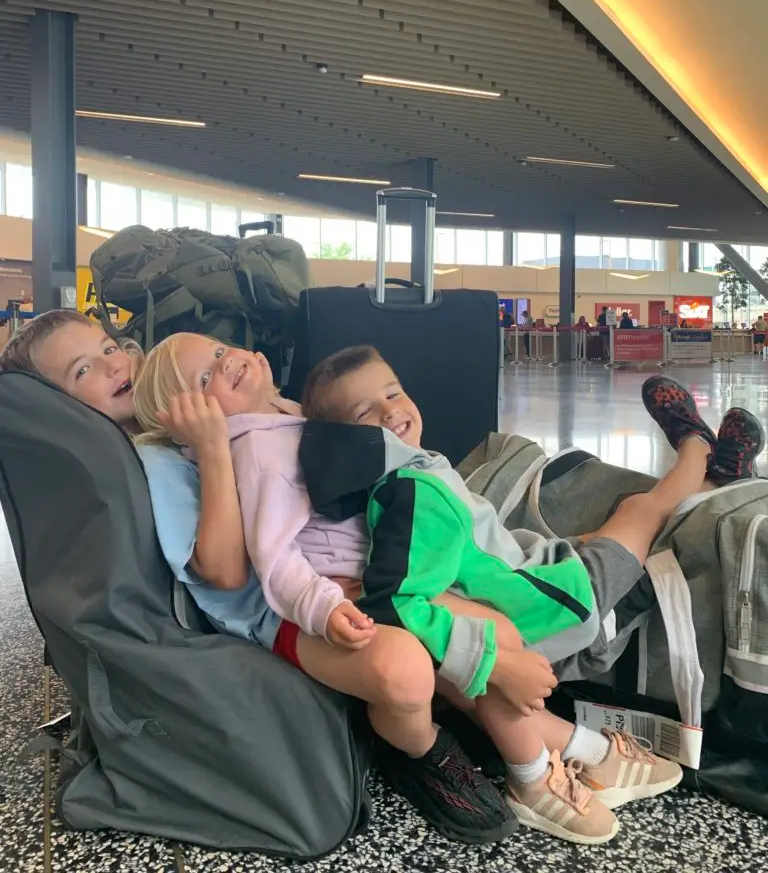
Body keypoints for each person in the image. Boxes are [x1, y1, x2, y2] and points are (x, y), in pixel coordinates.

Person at [134, 334, 745, 844]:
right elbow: (256, 562)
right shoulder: (246, 451)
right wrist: (323, 599)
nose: (225, 361)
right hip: (494, 587)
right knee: (638, 516)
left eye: (220, 349)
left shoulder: (289, 421)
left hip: (478, 566)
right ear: (182, 414)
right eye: (206, 373)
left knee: (607, 537)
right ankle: (696, 446)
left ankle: (705, 462)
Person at [0, 311, 515, 845]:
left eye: (110, 346)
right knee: (414, 660)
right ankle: (427, 751)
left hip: (341, 572)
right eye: (84, 369)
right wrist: (212, 447)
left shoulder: (238, 420)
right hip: (282, 605)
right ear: (55, 409)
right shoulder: (158, 456)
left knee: (493, 633)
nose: (113, 365)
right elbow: (224, 574)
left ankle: (523, 742)